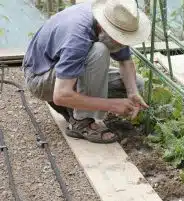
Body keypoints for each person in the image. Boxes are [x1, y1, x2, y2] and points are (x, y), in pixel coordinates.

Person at [22, 0, 151, 144]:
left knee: (136, 83)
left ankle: (72, 106)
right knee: (99, 51)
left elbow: (125, 61)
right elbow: (60, 95)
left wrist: (132, 92)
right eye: (119, 38)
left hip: (65, 72)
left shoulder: (113, 19)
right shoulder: (78, 36)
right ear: (103, 27)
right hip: (41, 79)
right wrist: (112, 105)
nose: (122, 43)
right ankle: (81, 121)